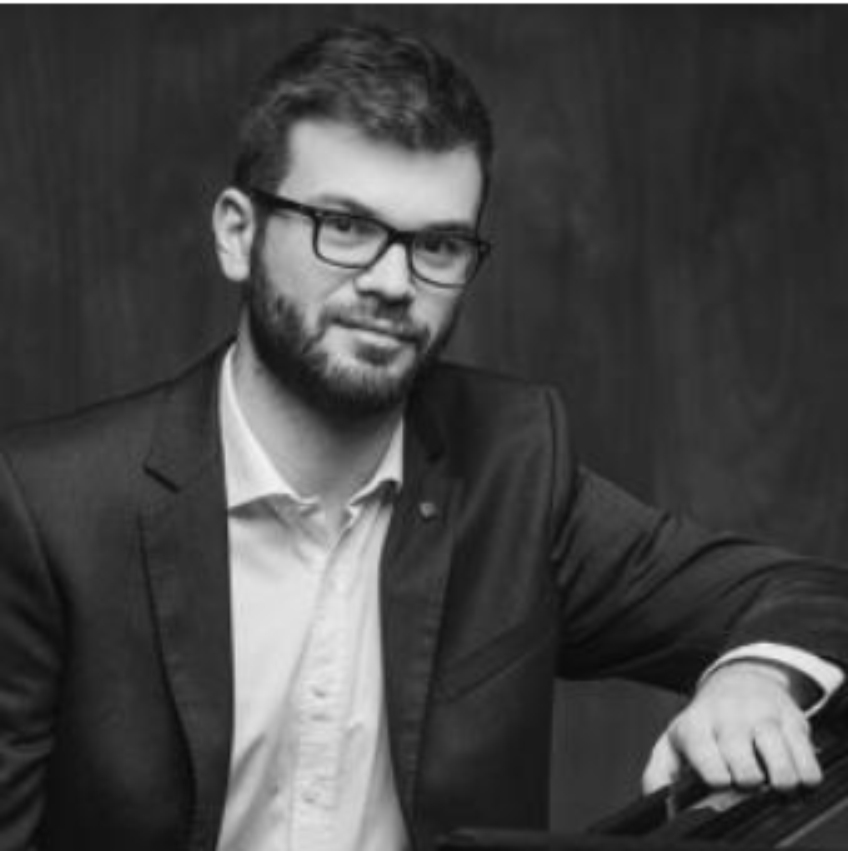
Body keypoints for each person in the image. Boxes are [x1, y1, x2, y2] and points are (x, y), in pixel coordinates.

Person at [0, 23, 846, 852]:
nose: (393, 282)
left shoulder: (513, 467)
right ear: (237, 233)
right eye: (345, 226)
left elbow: (806, 596)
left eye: (437, 244)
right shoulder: (50, 510)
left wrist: (753, 676)